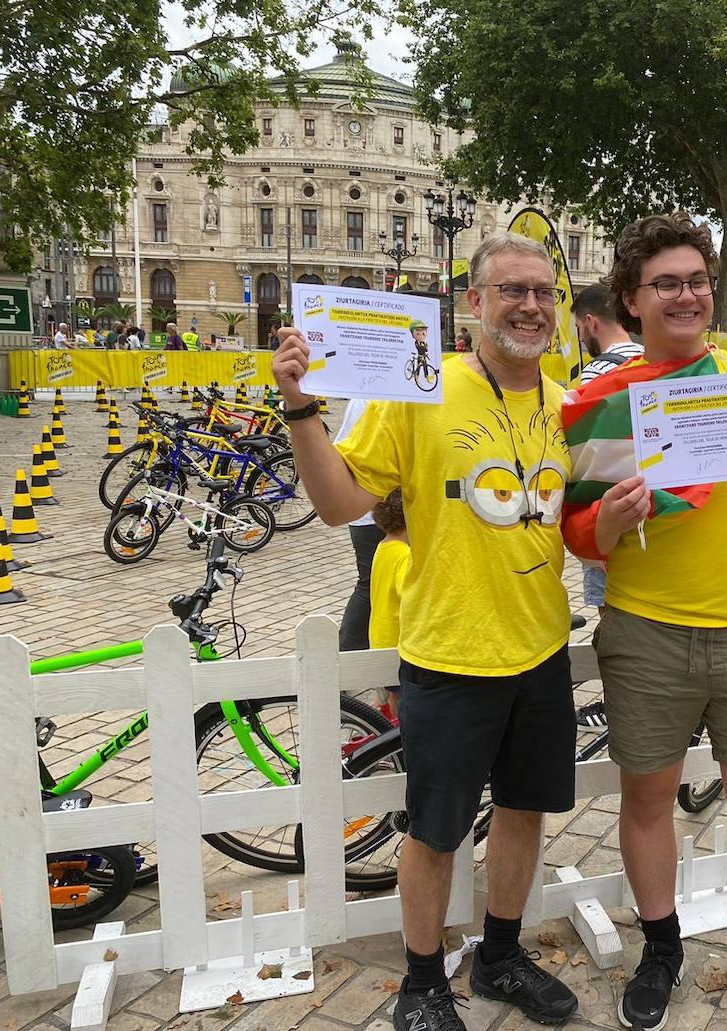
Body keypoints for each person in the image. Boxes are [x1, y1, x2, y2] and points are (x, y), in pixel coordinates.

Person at [272, 231, 579, 1031]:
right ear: (473, 302)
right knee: (436, 831)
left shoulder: (565, 401)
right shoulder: (418, 388)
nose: (530, 305)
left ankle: (501, 957)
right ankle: (421, 981)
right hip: (449, 650)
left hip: (542, 645)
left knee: (522, 813)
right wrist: (301, 406)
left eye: (543, 292)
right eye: (512, 290)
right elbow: (341, 504)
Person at [562, 213, 727, 1031]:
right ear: (633, 301)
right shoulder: (604, 402)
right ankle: (662, 949)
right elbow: (578, 529)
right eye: (666, 283)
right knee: (647, 800)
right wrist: (610, 518)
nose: (686, 294)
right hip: (644, 631)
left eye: (696, 280)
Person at [571, 284, 646, 614]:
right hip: (649, 510)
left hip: (609, 514)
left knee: (611, 613)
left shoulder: (596, 375)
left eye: (578, 328)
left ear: (590, 322)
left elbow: (586, 456)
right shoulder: (651, 362)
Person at [334, 399, 384, 653]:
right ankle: (346, 660)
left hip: (393, 511)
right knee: (371, 585)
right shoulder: (366, 399)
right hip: (373, 514)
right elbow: (342, 454)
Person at [368, 488, 410, 713]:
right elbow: (410, 597)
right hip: (397, 643)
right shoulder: (405, 554)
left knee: (390, 694)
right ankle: (396, 737)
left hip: (379, 638)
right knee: (399, 699)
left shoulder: (383, 548)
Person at [574, 283, 644, 383]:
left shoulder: (595, 372)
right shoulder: (651, 359)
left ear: (590, 322)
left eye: (578, 327)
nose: (580, 338)